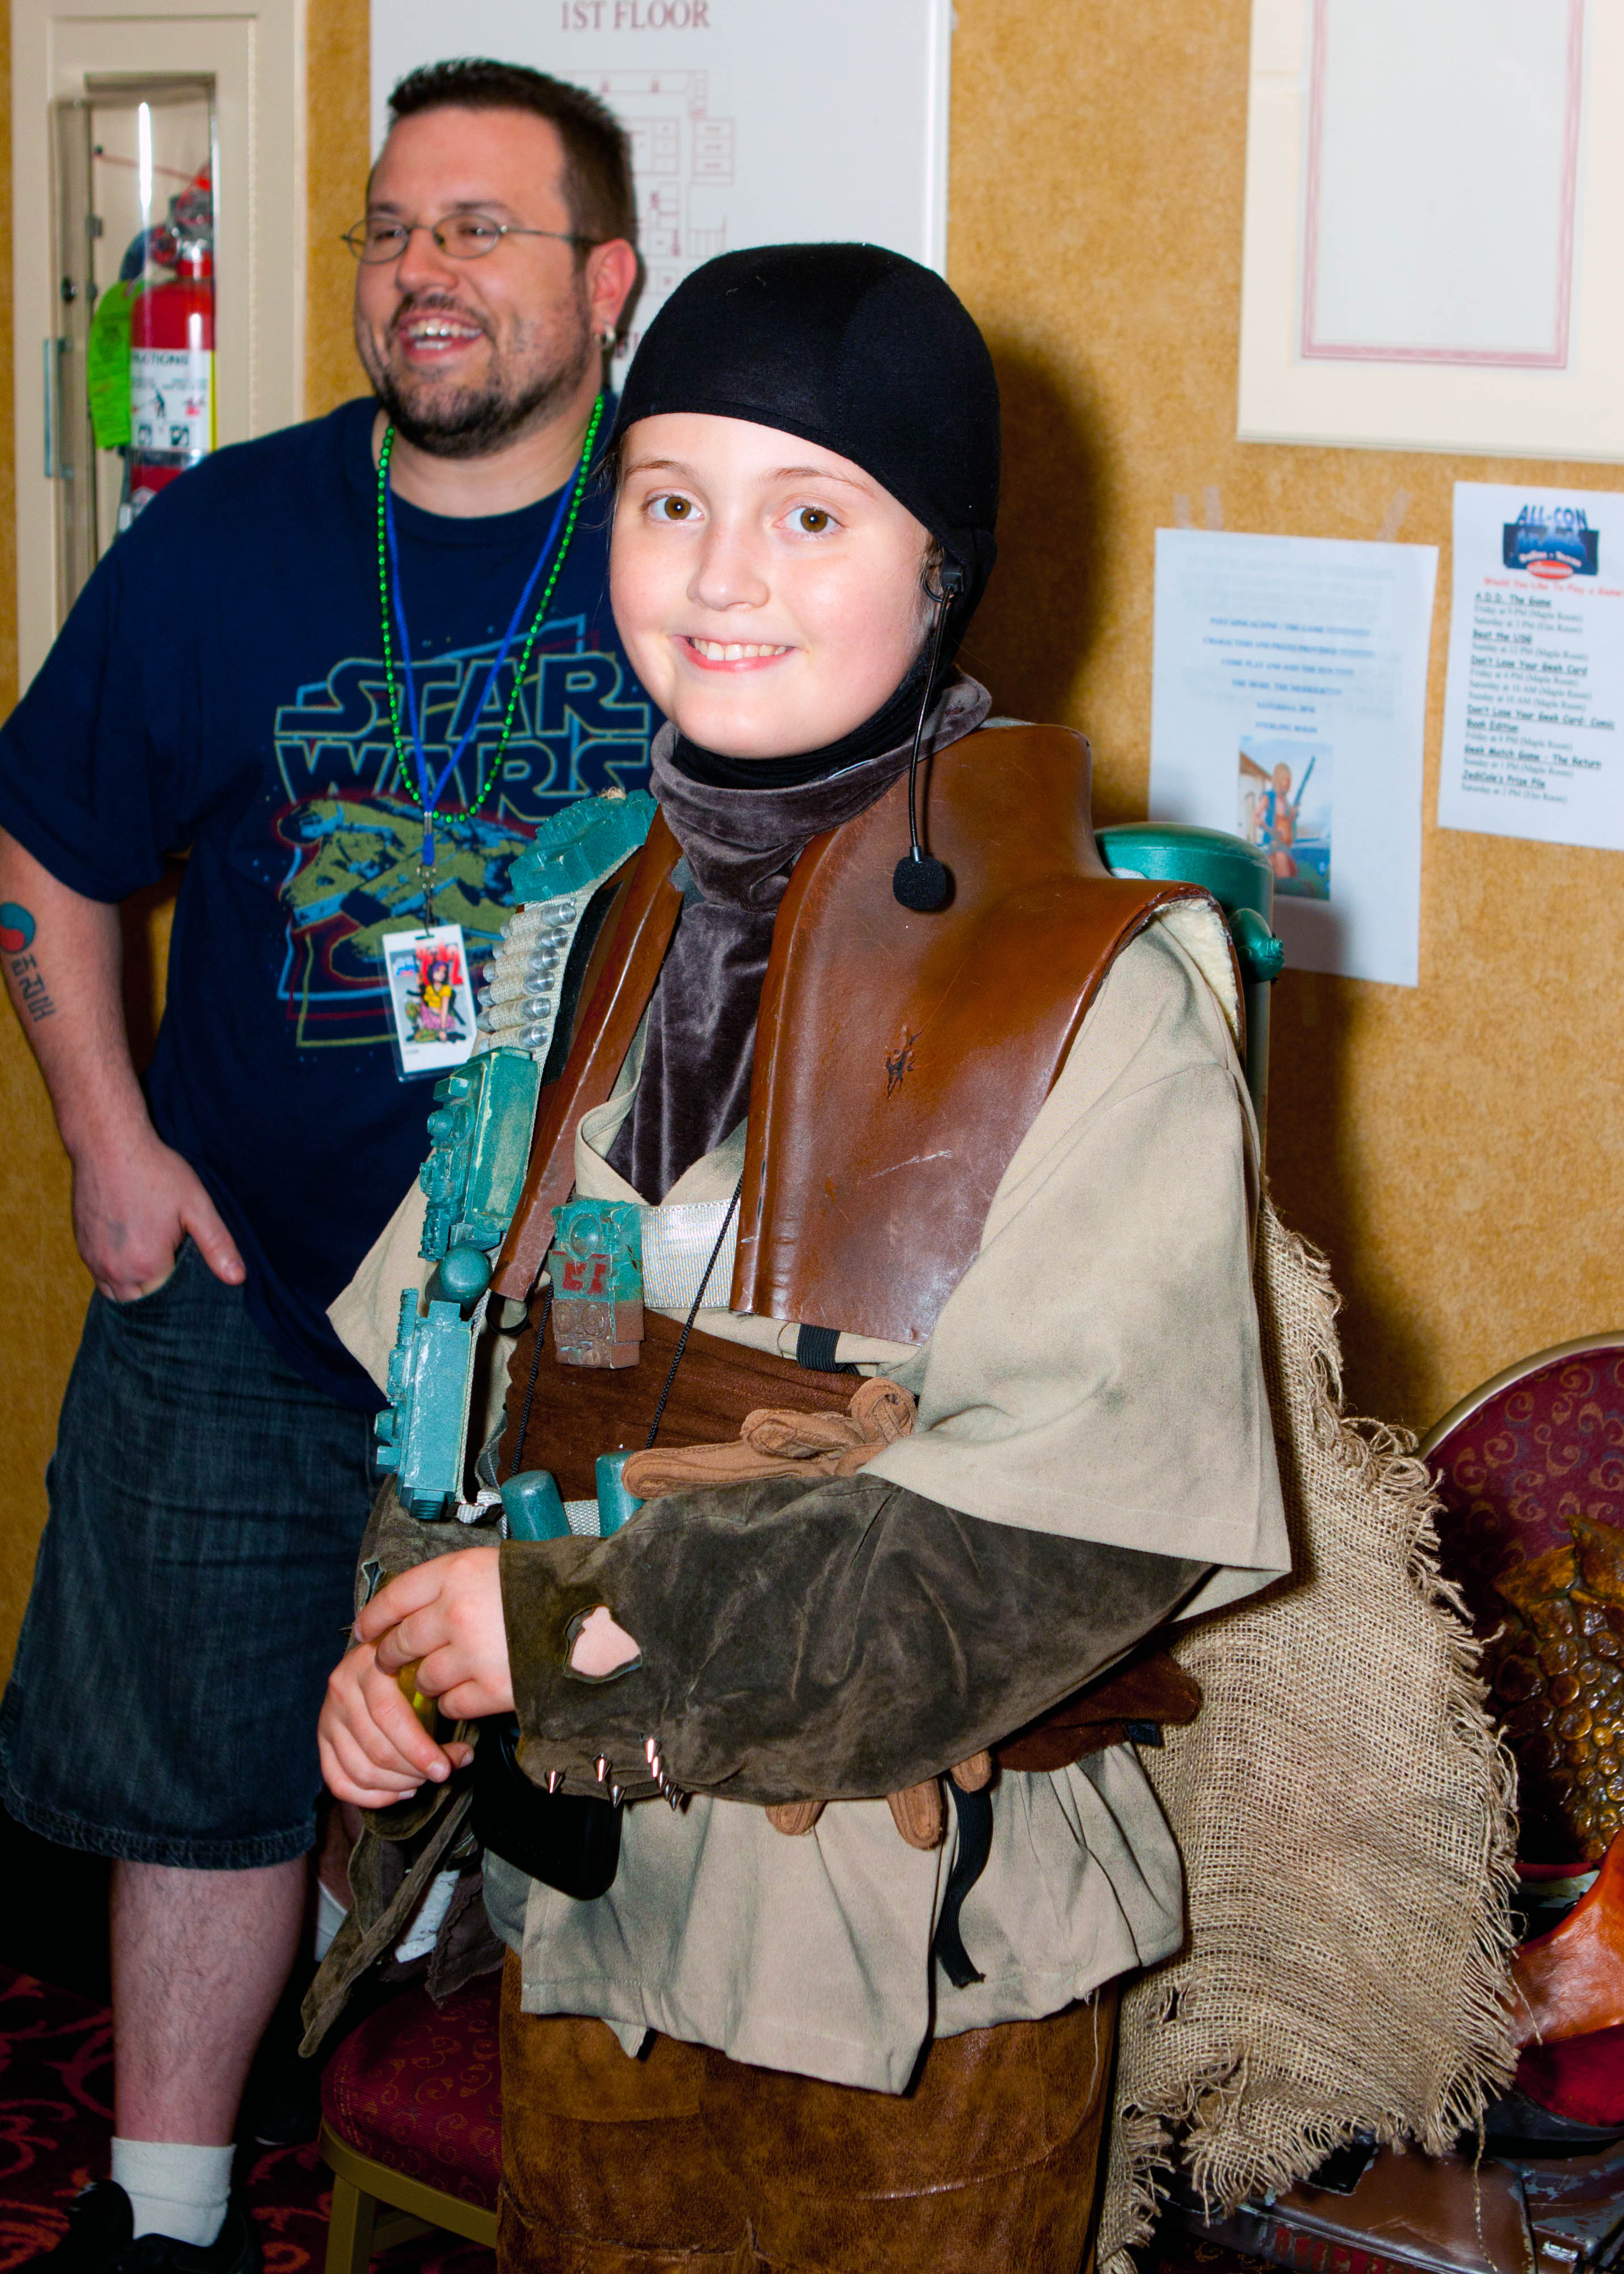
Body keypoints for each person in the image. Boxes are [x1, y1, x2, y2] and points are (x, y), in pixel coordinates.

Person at [318, 245, 1290, 2271]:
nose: (721, 575)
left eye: (813, 515)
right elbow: (458, 1362)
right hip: (592, 1924)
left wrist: (573, 1623)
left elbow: (1049, 1552)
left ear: (944, 571)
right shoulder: (576, 929)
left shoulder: (1098, 1003)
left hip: (912, 1976)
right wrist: (400, 1640)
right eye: (670, 500)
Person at [0, 58, 652, 2274]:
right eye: (389, 230)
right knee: (198, 1779)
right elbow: (48, 839)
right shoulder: (225, 541)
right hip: (247, 1298)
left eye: (478, 227)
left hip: (577, 1328)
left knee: (608, 1778)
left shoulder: (696, 547)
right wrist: (106, 1143)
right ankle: (165, 2220)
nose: (418, 271)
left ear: (607, 280)